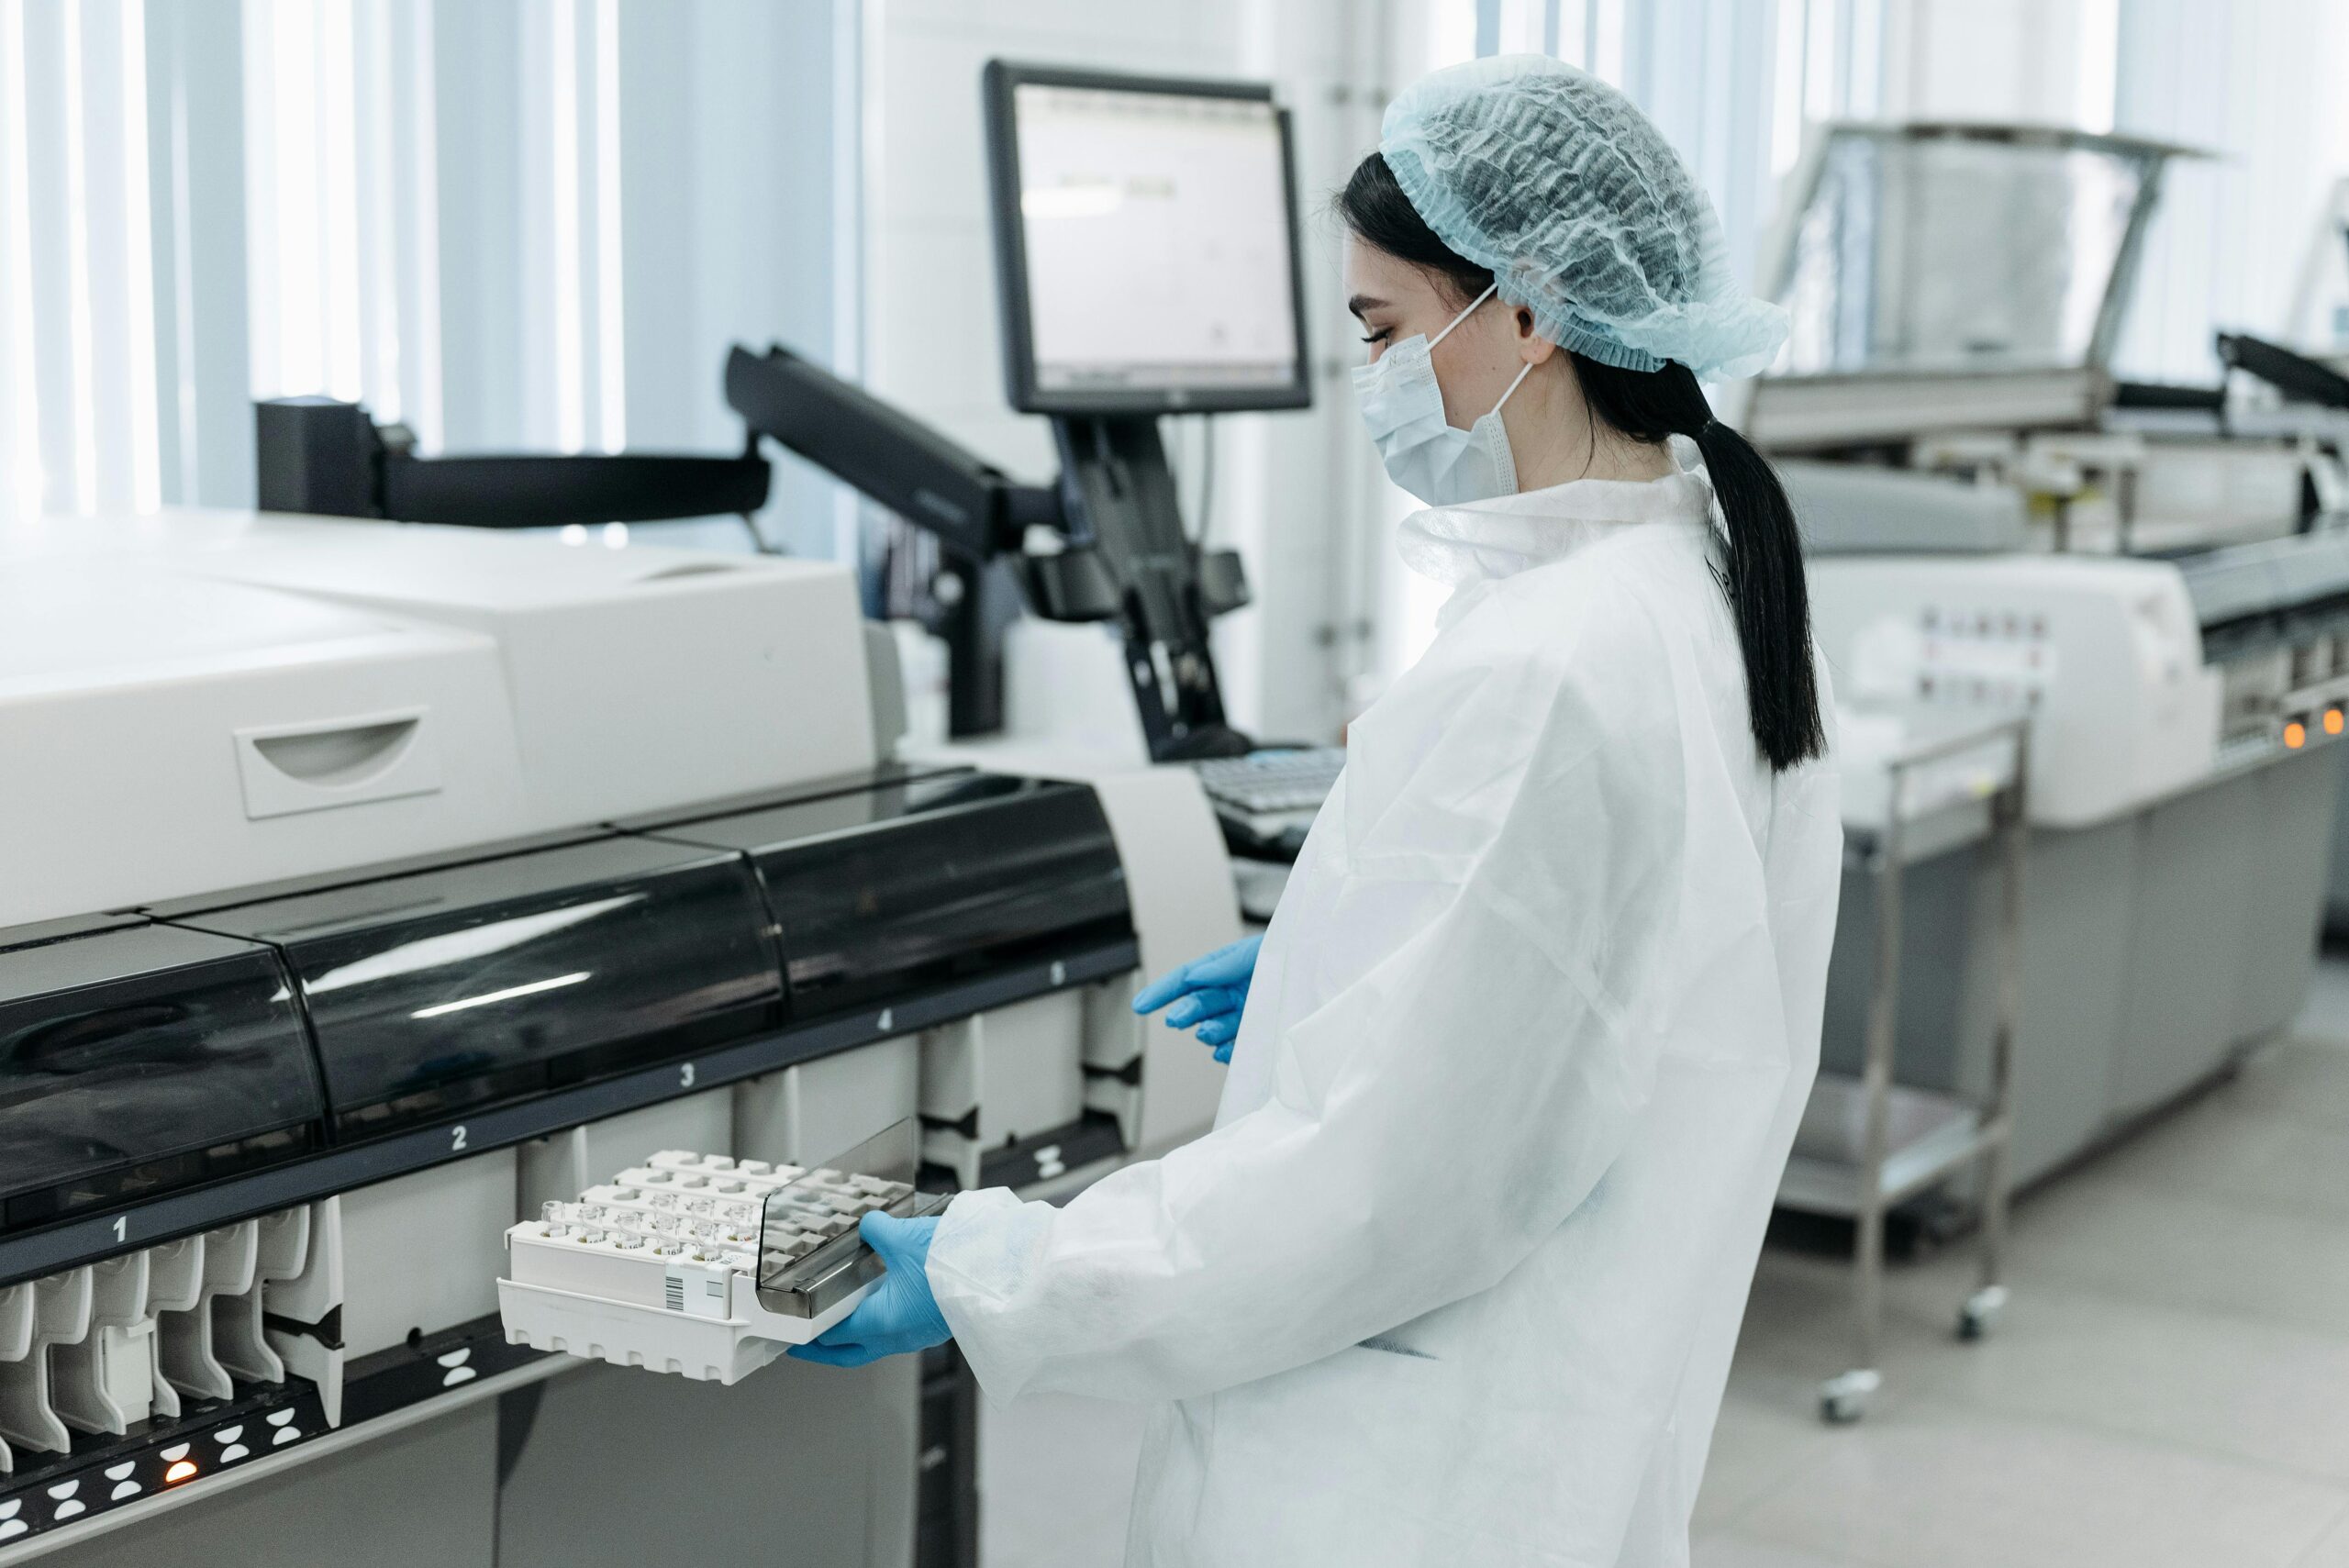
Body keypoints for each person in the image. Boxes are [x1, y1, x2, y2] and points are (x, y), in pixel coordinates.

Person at [791, 54, 1843, 1568]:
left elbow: (1364, 1195)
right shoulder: (1720, 585)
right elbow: (1612, 1000)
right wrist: (1337, 965)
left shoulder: (1552, 662)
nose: (1373, 379)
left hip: (1398, 1490)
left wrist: (987, 1269)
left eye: (1384, 329)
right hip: (1569, 1415)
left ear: (1533, 312)